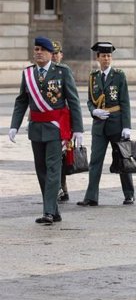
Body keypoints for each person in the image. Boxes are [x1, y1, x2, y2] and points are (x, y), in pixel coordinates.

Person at [9, 36, 84, 225]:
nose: (39, 53)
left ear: (51, 53)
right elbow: (22, 101)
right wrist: (14, 126)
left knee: (52, 169)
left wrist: (78, 129)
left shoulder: (62, 71)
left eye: (42, 50)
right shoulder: (28, 74)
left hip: (55, 128)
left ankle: (48, 211)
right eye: (36, 49)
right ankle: (54, 210)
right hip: (36, 128)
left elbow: (73, 100)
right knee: (41, 170)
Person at [77, 42, 135, 206]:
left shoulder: (119, 75)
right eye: (103, 56)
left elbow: (125, 101)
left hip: (116, 122)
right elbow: (90, 100)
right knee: (95, 161)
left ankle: (129, 194)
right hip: (99, 125)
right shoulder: (93, 77)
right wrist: (93, 111)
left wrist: (127, 126)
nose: (106, 59)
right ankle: (91, 197)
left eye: (109, 56)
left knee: (123, 159)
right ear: (98, 58)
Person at [51, 40, 70, 203]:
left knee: (62, 155)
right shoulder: (43, 72)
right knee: (53, 156)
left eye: (57, 53)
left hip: (63, 118)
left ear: (61, 55)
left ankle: (62, 187)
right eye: (53, 53)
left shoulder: (64, 71)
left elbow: (72, 97)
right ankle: (58, 188)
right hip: (49, 119)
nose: (55, 56)